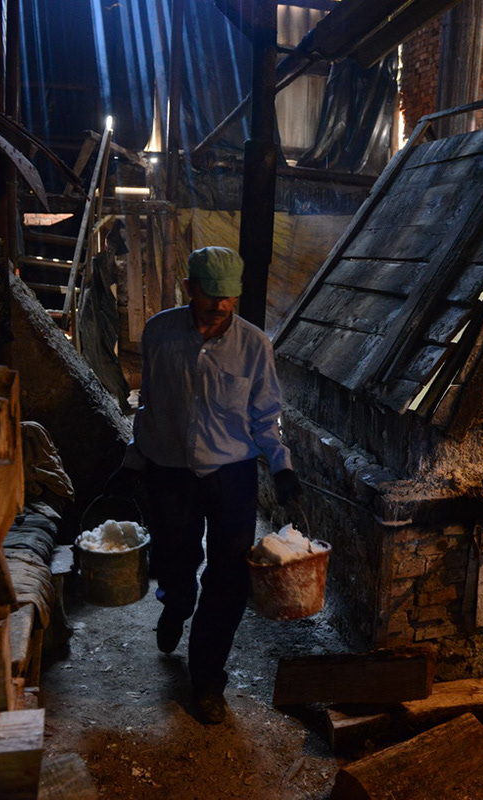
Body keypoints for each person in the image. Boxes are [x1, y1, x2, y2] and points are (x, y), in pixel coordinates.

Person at [110, 245, 302, 723]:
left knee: (230, 577)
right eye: (211, 295)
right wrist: (135, 457)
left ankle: (208, 680)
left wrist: (282, 468)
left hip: (231, 473)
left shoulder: (254, 345)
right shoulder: (158, 332)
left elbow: (266, 415)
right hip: (169, 469)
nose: (220, 306)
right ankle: (176, 604)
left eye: (228, 297)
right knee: (176, 559)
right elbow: (149, 401)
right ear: (189, 289)